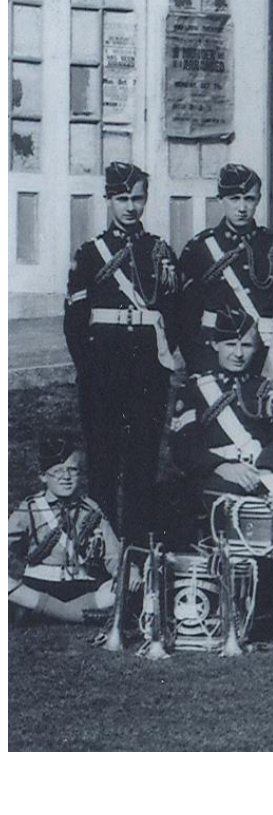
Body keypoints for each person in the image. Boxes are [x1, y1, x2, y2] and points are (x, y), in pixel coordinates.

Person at [65, 162, 179, 540]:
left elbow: (173, 313)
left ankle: (137, 547)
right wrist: (91, 368)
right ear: (109, 200)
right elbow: (75, 322)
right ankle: (103, 544)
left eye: (137, 198)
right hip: (103, 371)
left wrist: (159, 363)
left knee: (142, 462)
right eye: (122, 198)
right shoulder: (90, 254)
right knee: (102, 460)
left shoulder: (159, 251)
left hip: (147, 371)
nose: (130, 207)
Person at [170, 308, 273, 519]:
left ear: (255, 348)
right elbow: (183, 447)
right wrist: (222, 467)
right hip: (215, 476)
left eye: (246, 345)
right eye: (230, 344)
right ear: (215, 344)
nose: (238, 354)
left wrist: (264, 469)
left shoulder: (267, 388)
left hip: (262, 474)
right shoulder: (194, 389)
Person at [178, 164, 273, 388]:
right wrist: (197, 360)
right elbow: (187, 318)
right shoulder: (200, 249)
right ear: (220, 199)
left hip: (265, 354)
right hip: (215, 353)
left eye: (249, 199)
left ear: (258, 200)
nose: (242, 207)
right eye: (234, 198)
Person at [8, 436, 120, 624]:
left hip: (81, 585)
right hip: (38, 585)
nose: (66, 477)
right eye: (57, 471)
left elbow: (114, 555)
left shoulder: (90, 509)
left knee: (120, 587)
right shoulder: (30, 508)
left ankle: (45, 612)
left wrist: (126, 573)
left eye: (72, 470)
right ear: (43, 476)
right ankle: (78, 614)